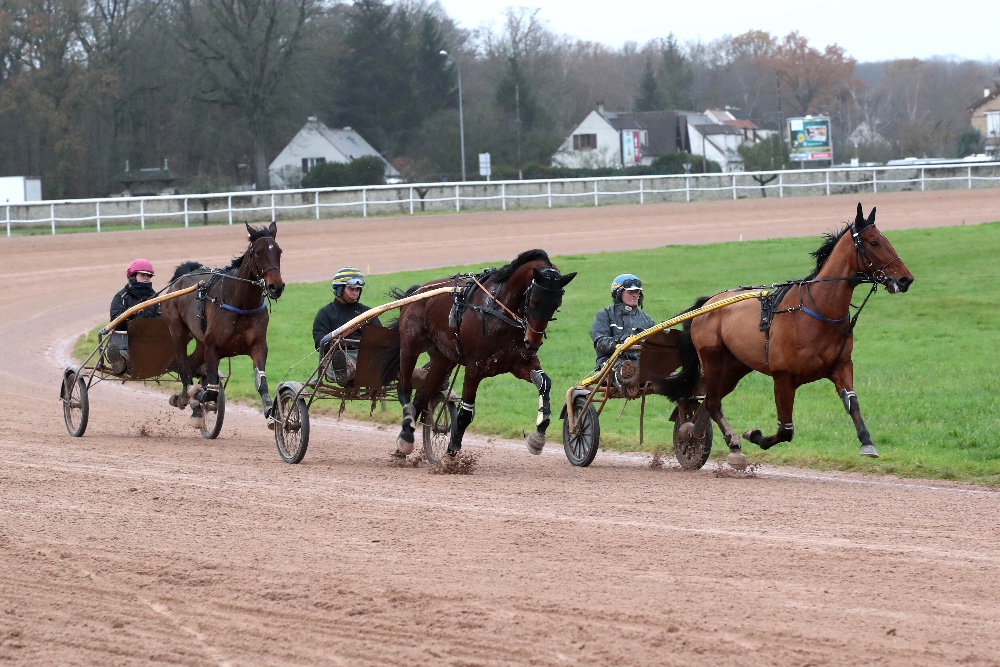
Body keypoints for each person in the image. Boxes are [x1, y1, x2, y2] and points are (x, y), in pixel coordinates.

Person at [312, 267, 382, 384]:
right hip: (339, 356)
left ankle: (415, 375)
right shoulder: (325, 313)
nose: (355, 293)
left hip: (366, 357)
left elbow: (380, 336)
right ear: (339, 289)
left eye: (358, 290)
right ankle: (343, 372)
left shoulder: (367, 312)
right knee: (342, 360)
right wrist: (335, 344)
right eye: (351, 289)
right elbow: (320, 342)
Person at [590, 273, 655, 392]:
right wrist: (623, 341)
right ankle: (627, 380)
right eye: (630, 292)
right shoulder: (604, 315)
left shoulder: (647, 320)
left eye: (637, 292)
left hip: (641, 363)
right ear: (617, 294)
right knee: (623, 367)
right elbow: (600, 343)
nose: (635, 295)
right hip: (610, 362)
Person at [106, 259, 160, 375]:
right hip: (126, 340)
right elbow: (115, 322)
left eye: (149, 276)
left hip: (150, 342)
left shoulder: (155, 297)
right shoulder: (121, 297)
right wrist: (132, 314)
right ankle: (120, 361)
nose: (146, 278)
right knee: (123, 348)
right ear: (133, 276)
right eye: (143, 275)